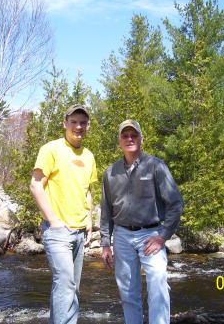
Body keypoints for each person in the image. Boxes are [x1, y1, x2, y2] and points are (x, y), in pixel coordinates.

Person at [100, 119, 184, 324]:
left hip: (150, 235)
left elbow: (175, 203)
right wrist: (105, 243)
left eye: (134, 135)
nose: (129, 139)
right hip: (121, 236)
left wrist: (163, 236)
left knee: (158, 284)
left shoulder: (155, 166)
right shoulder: (110, 172)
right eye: (125, 135)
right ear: (119, 141)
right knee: (128, 291)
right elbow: (106, 210)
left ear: (141, 139)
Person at [30, 104, 97, 324]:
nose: (79, 126)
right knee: (65, 282)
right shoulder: (51, 149)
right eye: (74, 121)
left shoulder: (88, 156)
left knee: (71, 287)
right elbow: (36, 185)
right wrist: (54, 221)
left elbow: (87, 190)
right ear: (65, 123)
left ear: (87, 126)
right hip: (58, 231)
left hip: (79, 232)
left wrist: (89, 220)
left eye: (83, 122)